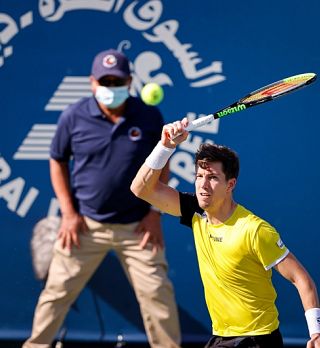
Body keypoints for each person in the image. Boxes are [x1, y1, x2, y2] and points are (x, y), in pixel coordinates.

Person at [23, 49, 181, 348]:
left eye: (117, 81)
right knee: (55, 294)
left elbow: (162, 163)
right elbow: (57, 160)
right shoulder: (73, 116)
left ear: (131, 82)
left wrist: (155, 212)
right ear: (92, 83)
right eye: (105, 81)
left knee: (158, 295)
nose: (111, 88)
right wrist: (68, 214)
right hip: (85, 225)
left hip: (138, 227)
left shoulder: (149, 115)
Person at [130, 118, 320, 348]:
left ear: (230, 185)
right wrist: (166, 146)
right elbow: (140, 188)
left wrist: (316, 333)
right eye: (199, 176)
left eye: (212, 178)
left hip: (257, 340)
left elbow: (301, 279)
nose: (203, 185)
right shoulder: (195, 212)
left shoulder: (255, 230)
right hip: (222, 336)